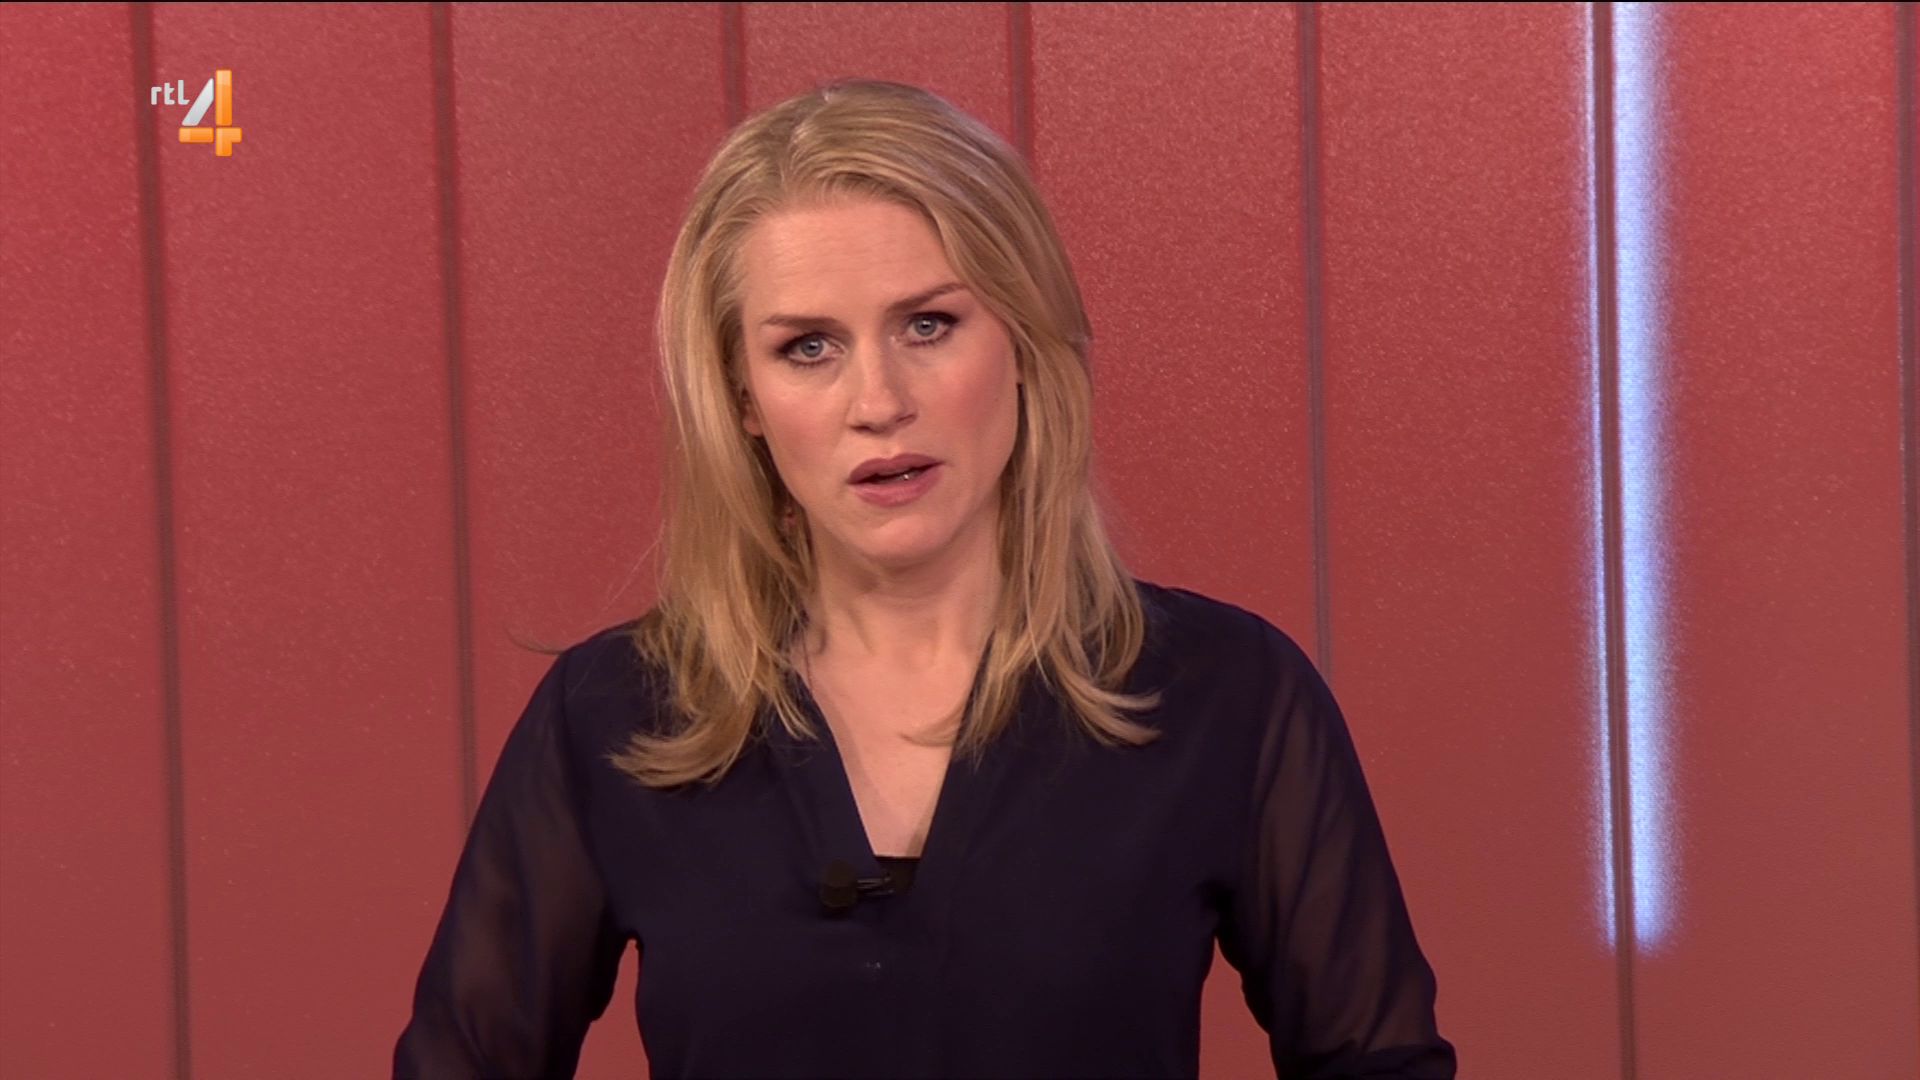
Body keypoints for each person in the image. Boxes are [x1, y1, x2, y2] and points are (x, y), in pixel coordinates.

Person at [394, 79, 1455, 1080]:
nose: (879, 401)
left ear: (1024, 342)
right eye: (809, 347)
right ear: (744, 399)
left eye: (929, 325)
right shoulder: (611, 714)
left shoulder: (1228, 692)